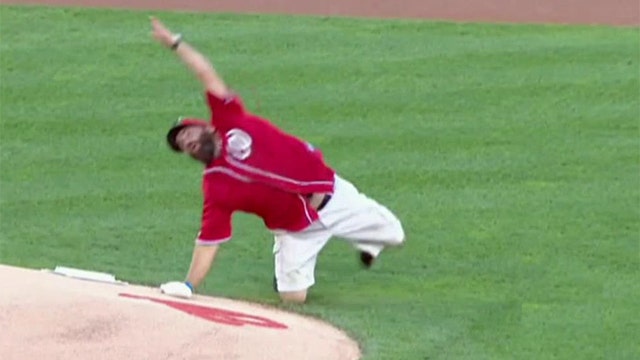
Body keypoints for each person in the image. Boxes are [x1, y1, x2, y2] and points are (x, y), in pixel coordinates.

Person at [150, 17, 405, 304]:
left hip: (335, 199)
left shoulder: (229, 117)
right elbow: (209, 241)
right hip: (296, 230)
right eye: (183, 145)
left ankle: (367, 242)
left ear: (206, 127)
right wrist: (189, 285)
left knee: (395, 235)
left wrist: (175, 43)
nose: (187, 142)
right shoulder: (215, 186)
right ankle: (351, 243)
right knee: (292, 298)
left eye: (188, 134)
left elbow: (205, 73)